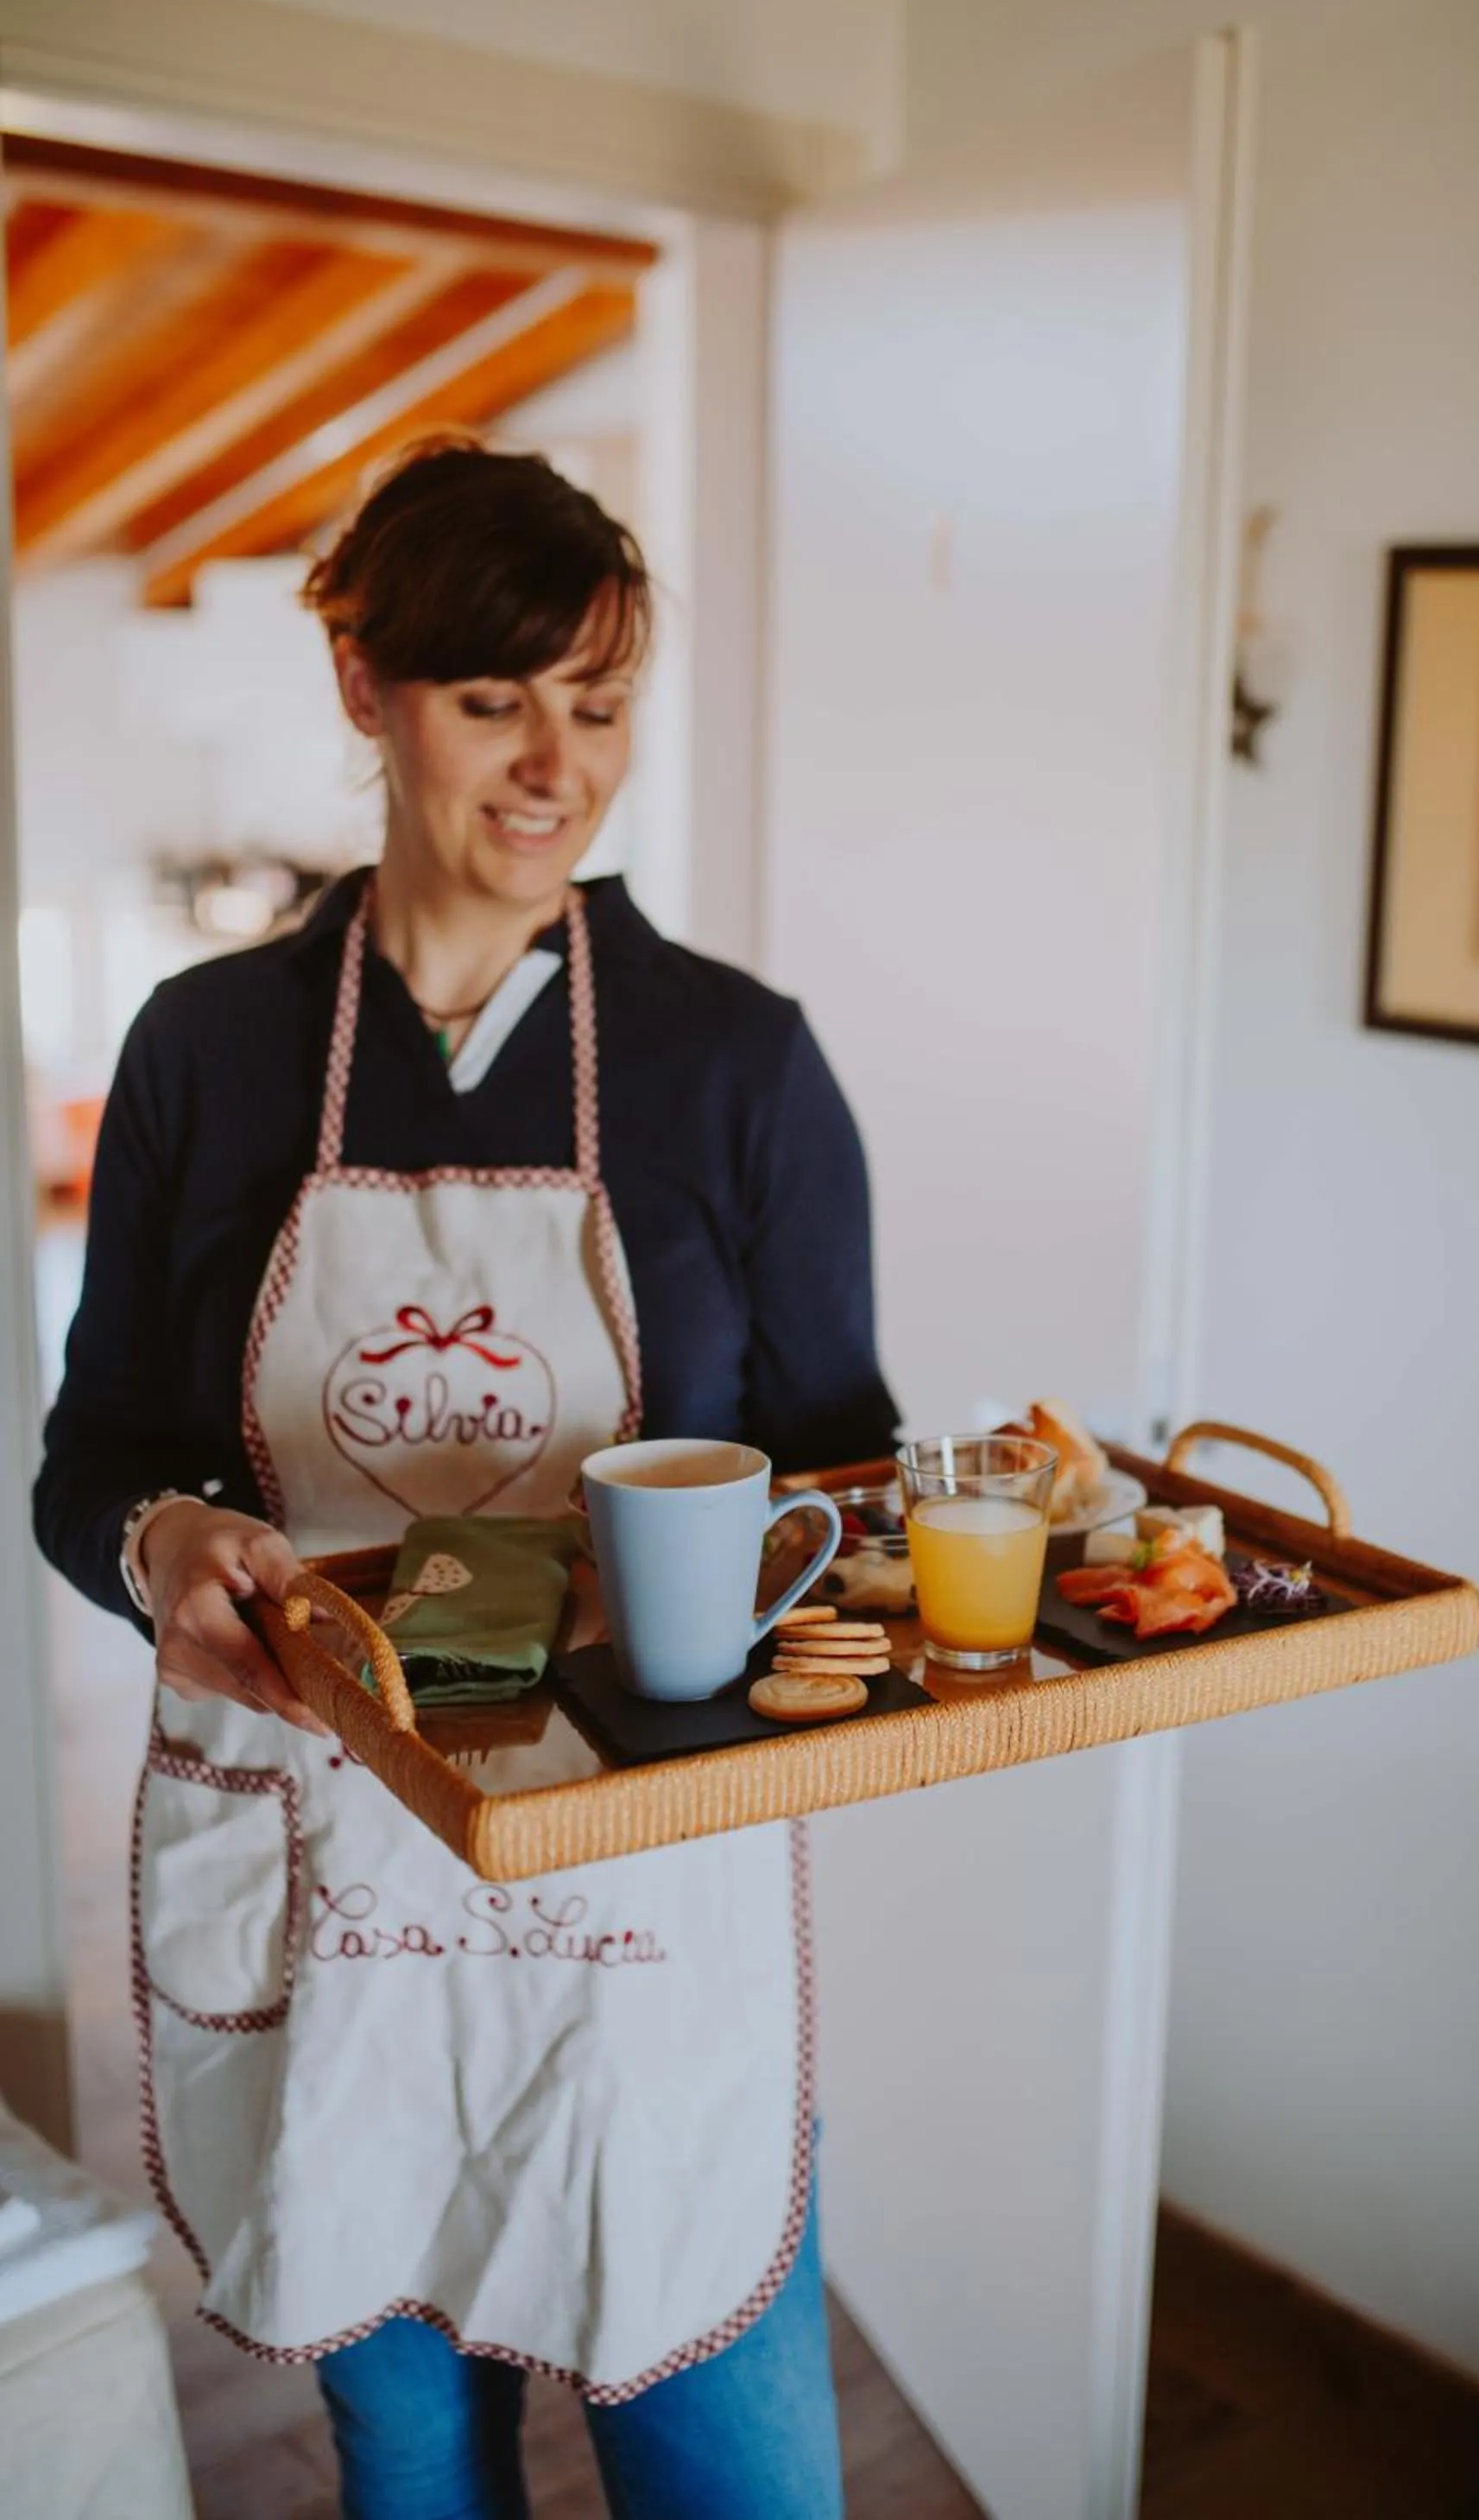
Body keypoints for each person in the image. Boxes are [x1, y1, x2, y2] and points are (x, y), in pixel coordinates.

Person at [34, 435, 899, 2520]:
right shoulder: (205, 1051)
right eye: (492, 698)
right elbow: (93, 1458)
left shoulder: (735, 1061)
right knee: (416, 2474)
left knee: (740, 2479)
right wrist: (166, 1543)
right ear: (365, 685)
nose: (553, 766)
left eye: (596, 703)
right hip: (338, 1897)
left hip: (642, 1901)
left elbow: (849, 1472)